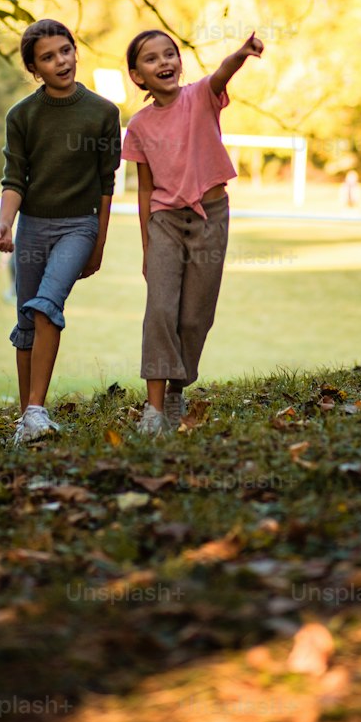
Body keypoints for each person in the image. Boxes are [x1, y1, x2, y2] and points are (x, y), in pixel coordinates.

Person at [123, 27, 264, 436]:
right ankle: (153, 412)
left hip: (210, 217)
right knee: (160, 311)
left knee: (194, 317)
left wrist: (241, 53)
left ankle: (176, 390)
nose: (164, 62)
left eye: (170, 54)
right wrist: (147, 247)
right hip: (165, 222)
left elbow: (221, 73)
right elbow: (146, 189)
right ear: (137, 76)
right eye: (152, 59)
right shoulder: (139, 126)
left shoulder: (200, 96)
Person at [0, 19, 121, 445]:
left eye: (65, 50)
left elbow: (107, 186)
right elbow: (14, 179)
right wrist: (4, 223)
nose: (61, 61)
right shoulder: (22, 115)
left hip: (79, 226)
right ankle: (25, 418)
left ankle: (36, 410)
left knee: (47, 305)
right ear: (35, 68)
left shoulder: (104, 112)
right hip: (31, 228)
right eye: (48, 57)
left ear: (74, 50)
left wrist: (98, 246)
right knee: (26, 322)